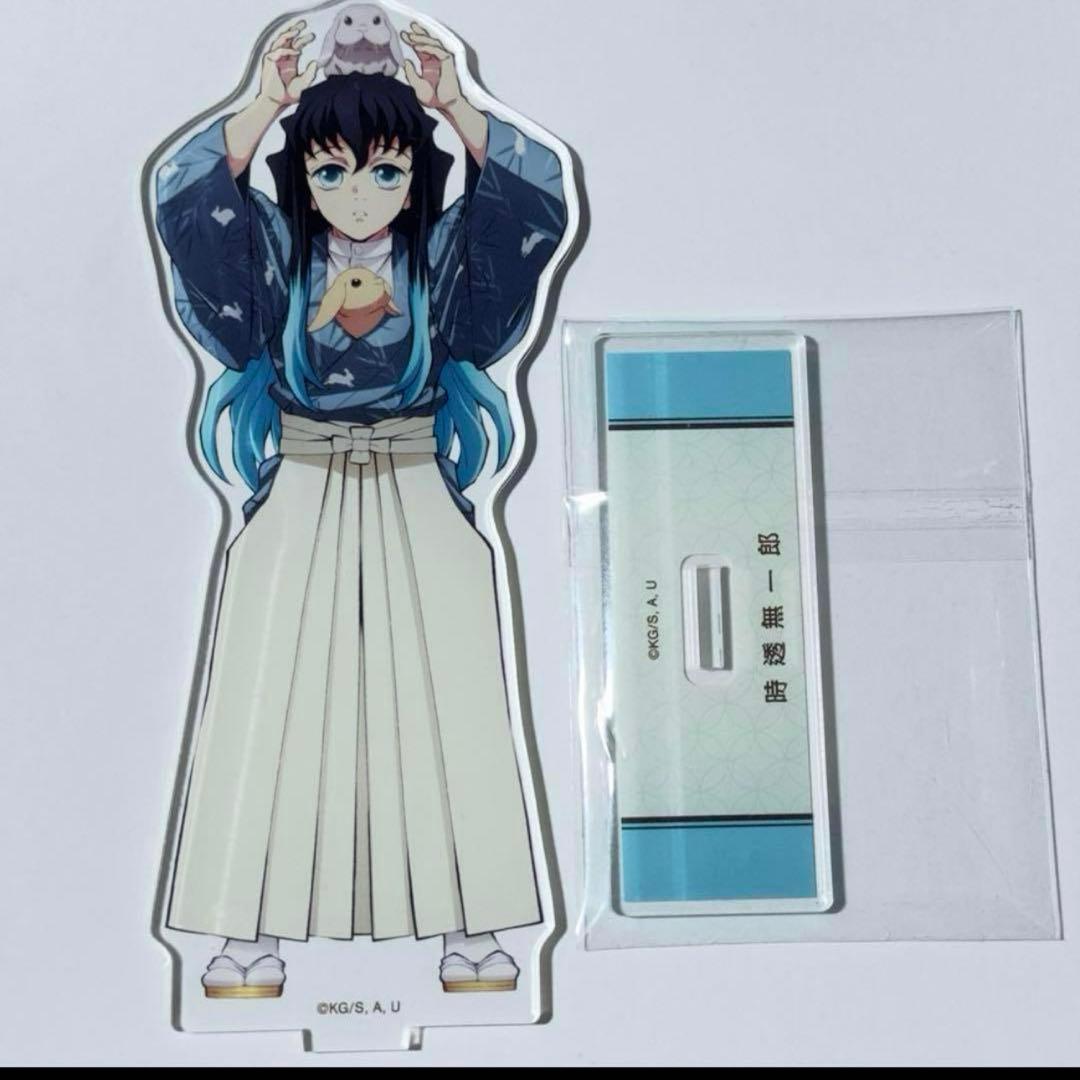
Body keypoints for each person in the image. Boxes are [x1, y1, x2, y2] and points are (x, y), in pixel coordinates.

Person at [154, 17, 569, 998]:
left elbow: (532, 203)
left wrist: (456, 103)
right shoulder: (273, 257)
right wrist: (262, 102)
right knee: (268, 692)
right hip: (299, 482)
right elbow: (186, 207)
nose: (358, 195)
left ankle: (472, 926)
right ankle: (245, 932)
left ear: (417, 176)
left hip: (418, 481)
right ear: (300, 177)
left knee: (449, 693)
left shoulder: (442, 262)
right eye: (330, 172)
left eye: (386, 171)